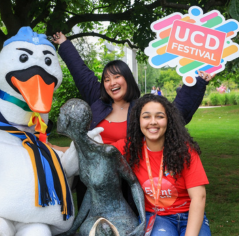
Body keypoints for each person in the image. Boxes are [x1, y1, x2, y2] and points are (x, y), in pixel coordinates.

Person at [52, 32, 212, 206]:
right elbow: (81, 72)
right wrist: (64, 44)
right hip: (93, 182)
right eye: (106, 79)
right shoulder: (97, 101)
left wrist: (198, 82)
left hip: (127, 184)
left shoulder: (141, 109)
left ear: (127, 79)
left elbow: (175, 114)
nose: (111, 82)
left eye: (116, 76)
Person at [111, 94, 211, 236]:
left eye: (159, 116)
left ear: (168, 120)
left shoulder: (185, 151)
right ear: (138, 121)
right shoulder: (129, 148)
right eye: (146, 117)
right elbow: (94, 153)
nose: (153, 122)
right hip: (155, 217)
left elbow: (199, 197)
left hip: (189, 213)